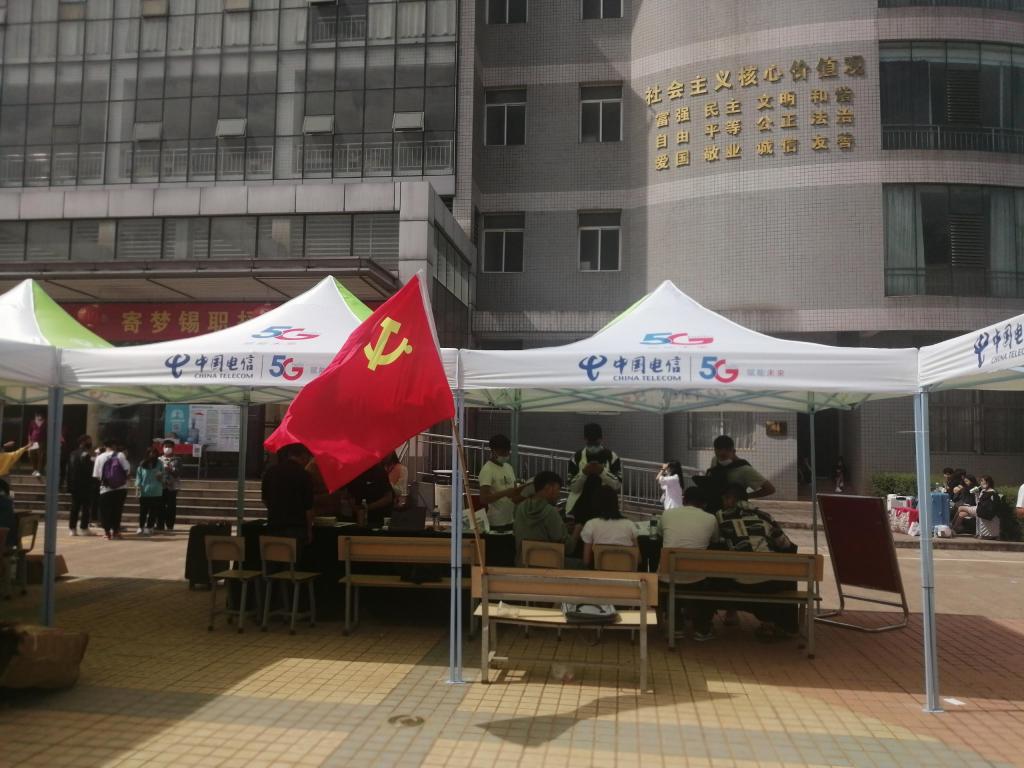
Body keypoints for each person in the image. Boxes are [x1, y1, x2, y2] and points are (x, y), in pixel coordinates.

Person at [713, 483, 798, 642]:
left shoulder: (720, 516)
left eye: (725, 499)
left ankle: (744, 617)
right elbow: (785, 544)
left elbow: (717, 540)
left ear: (731, 499)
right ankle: (784, 625)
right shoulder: (764, 516)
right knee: (788, 576)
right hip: (770, 581)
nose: (723, 502)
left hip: (739, 581)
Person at [660, 486, 721, 641]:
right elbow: (715, 540)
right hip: (696, 577)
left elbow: (660, 534)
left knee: (671, 581)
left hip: (668, 574)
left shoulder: (667, 514)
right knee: (710, 580)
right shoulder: (710, 518)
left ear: (684, 499)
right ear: (704, 503)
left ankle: (675, 625)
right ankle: (702, 627)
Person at [513, 470, 579, 564]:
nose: (558, 494)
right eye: (558, 489)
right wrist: (577, 530)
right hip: (547, 565)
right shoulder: (550, 511)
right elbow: (568, 548)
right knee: (582, 565)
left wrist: (563, 527)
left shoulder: (519, 508)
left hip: (523, 563)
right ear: (549, 488)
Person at [699, 435, 775, 513]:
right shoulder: (715, 460)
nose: (721, 459)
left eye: (724, 456)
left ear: (733, 451)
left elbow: (770, 489)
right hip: (714, 506)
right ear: (715, 451)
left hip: (733, 510)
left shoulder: (745, 470)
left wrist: (746, 496)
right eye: (719, 456)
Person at [566, 423, 622, 529]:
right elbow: (572, 487)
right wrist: (584, 473)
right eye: (590, 442)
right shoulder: (576, 458)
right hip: (582, 508)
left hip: (605, 507)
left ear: (601, 439)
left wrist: (602, 472)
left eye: (595, 442)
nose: (593, 445)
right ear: (585, 439)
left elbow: (617, 484)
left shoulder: (611, 457)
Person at [261, 443, 315, 544]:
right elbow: (308, 507)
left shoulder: (270, 472)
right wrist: (309, 531)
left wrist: (276, 509)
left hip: (274, 524)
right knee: (294, 553)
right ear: (304, 455)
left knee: (275, 552)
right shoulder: (305, 475)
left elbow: (264, 499)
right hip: (297, 527)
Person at [581, 486, 638, 568]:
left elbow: (586, 561)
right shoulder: (630, 524)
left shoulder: (590, 524)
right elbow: (638, 559)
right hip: (627, 574)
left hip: (600, 573)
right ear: (616, 503)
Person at [477, 435, 523, 532]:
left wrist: (525, 493)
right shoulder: (487, 470)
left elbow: (514, 495)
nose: (506, 454)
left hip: (510, 520)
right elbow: (483, 498)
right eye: (503, 452)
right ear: (493, 451)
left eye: (508, 451)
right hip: (496, 523)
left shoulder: (508, 467)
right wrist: (505, 493)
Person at [94, 439, 130, 540]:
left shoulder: (99, 457)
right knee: (117, 510)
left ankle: (107, 533)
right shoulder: (120, 455)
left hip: (105, 489)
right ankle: (116, 532)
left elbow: (96, 475)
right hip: (120, 488)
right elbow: (127, 470)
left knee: (105, 511)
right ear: (114, 445)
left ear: (104, 446)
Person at [344, 459, 394, 528]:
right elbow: (350, 495)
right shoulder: (353, 473)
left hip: (378, 518)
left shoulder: (379, 471)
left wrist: (368, 507)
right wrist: (356, 508)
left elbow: (388, 498)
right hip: (358, 518)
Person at [66, 435, 95, 536]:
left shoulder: (73, 453)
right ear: (83, 442)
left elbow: (69, 470)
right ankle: (84, 528)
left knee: (75, 507)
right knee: (85, 507)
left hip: (74, 485)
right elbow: (89, 470)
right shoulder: (86, 455)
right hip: (85, 485)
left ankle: (72, 528)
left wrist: (69, 484)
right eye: (89, 441)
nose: (90, 443)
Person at [135, 449, 164, 536]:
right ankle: (141, 527)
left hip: (156, 491)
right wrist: (137, 488)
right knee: (143, 511)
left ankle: (150, 527)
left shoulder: (159, 463)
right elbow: (139, 477)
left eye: (154, 453)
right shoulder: (142, 464)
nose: (152, 455)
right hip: (144, 491)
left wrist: (161, 477)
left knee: (153, 511)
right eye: (150, 453)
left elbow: (163, 476)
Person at [158, 439, 182, 531]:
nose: (167, 448)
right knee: (160, 506)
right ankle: (160, 524)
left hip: (172, 486)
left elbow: (178, 473)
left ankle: (170, 525)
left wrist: (171, 469)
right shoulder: (159, 459)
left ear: (173, 448)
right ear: (162, 448)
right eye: (166, 446)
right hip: (161, 486)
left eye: (170, 447)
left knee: (171, 507)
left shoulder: (177, 460)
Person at [27, 412, 46, 478]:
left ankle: (39, 471)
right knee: (32, 456)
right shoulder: (32, 422)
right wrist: (29, 442)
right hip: (33, 442)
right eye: (37, 415)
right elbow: (29, 433)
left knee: (40, 457)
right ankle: (34, 470)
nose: (39, 416)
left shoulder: (45, 422)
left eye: (40, 415)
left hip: (41, 442)